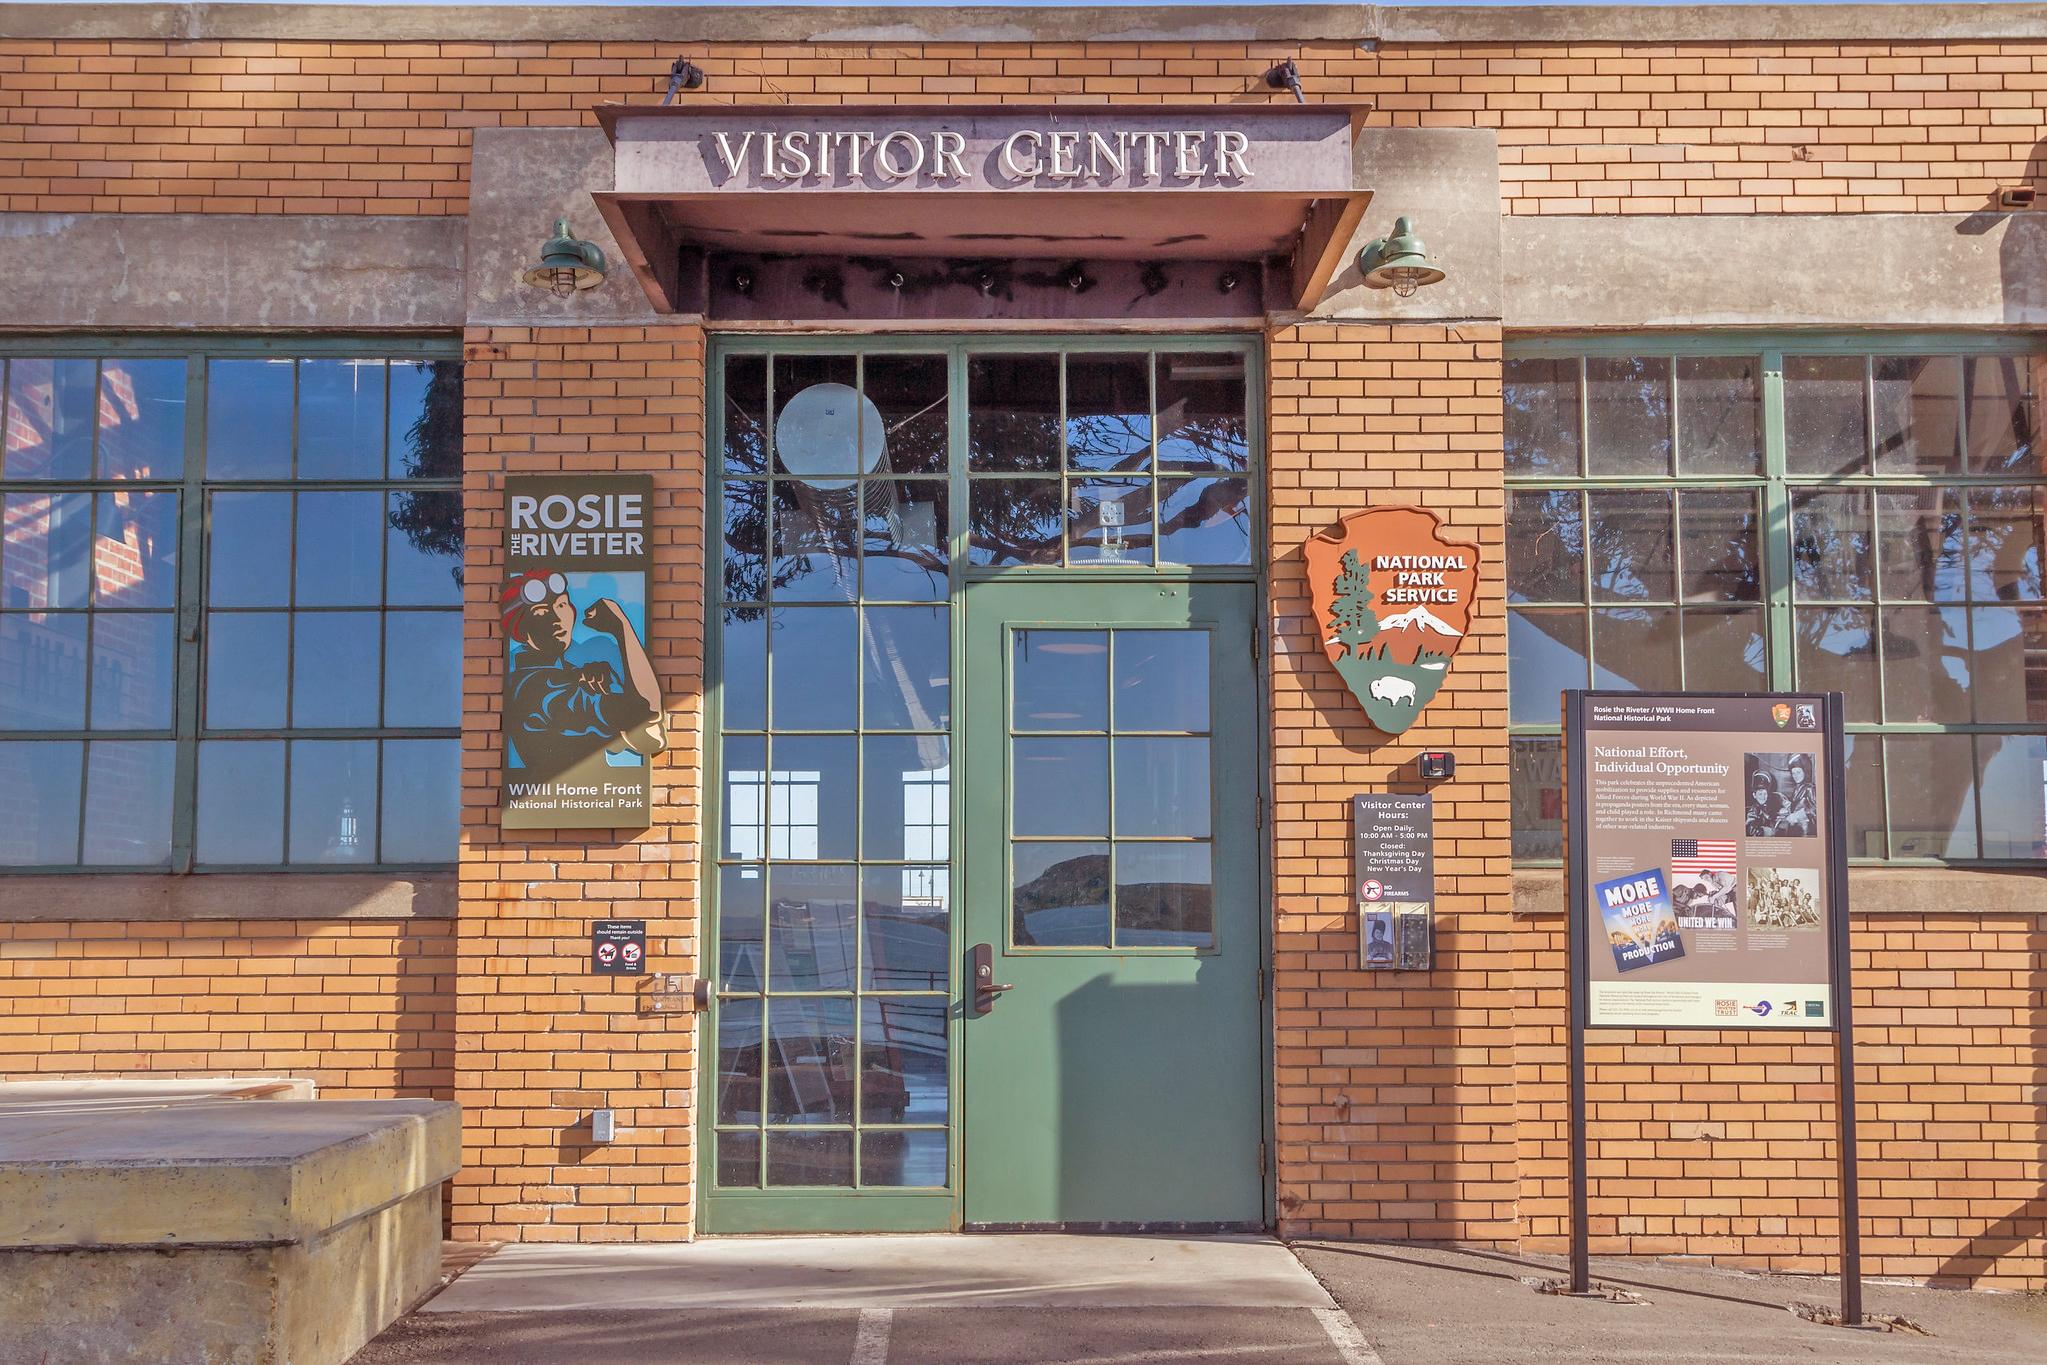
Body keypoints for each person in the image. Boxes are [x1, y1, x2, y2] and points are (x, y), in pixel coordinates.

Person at [501, 568, 665, 777]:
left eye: (561, 605)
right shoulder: (536, 687)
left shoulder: (573, 674)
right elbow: (644, 712)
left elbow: (649, 739)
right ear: (521, 629)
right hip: (569, 803)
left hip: (605, 800)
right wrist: (622, 628)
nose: (557, 618)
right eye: (541, 611)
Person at [1780, 755, 1817, 837]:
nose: (1796, 776)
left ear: (1804, 771)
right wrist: (1788, 807)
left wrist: (1798, 815)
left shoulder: (1810, 788)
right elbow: (1799, 806)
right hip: (1796, 831)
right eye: (1793, 773)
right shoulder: (1797, 788)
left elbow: (1816, 810)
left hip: (1806, 832)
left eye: (1798, 772)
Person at [1745, 767, 1783, 837]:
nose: (1763, 797)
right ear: (1754, 795)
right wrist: (1763, 831)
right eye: (1760, 794)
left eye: (1765, 794)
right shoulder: (1754, 810)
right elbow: (1750, 827)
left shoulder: (1774, 802)